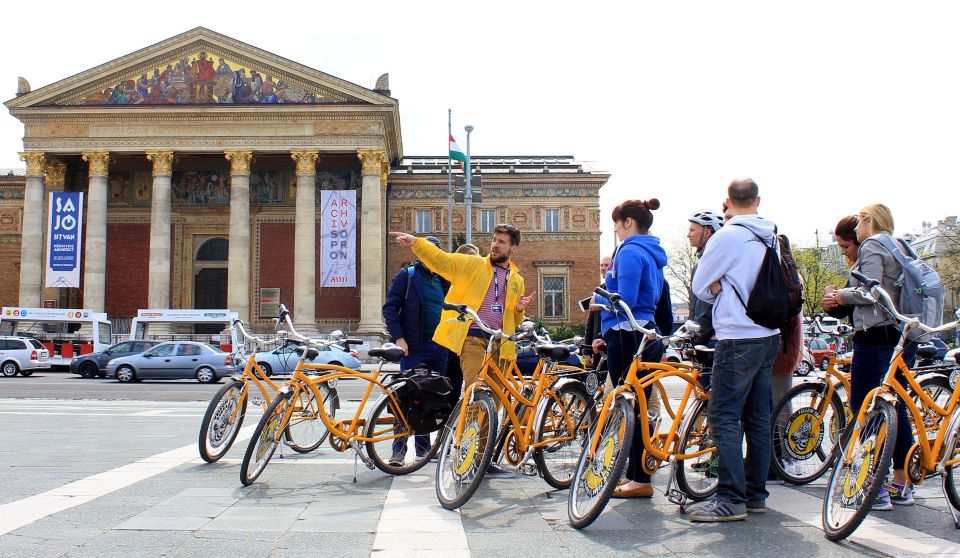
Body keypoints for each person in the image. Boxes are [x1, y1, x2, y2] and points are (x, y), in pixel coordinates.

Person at [389, 225, 536, 478]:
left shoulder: (517, 280)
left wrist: (520, 309)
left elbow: (513, 318)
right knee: (477, 395)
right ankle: (464, 456)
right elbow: (442, 260)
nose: (495, 245)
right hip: (474, 340)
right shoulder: (473, 265)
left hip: (500, 346)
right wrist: (416, 242)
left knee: (495, 404)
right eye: (494, 239)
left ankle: (483, 458)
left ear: (513, 248)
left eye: (501, 241)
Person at [689, 178, 781, 522]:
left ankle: (730, 499)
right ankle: (756, 494)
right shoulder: (773, 235)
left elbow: (701, 286)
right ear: (758, 200)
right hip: (769, 334)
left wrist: (719, 288)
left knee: (724, 416)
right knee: (757, 418)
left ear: (728, 201)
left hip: (737, 337)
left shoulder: (727, 237)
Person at [821, 204, 915, 509]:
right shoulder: (897, 244)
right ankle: (901, 483)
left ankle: (872, 485)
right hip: (900, 335)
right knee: (895, 408)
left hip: (875, 337)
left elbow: (870, 292)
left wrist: (839, 296)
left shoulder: (874, 244)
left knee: (867, 408)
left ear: (867, 222)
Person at [593, 199, 669, 499]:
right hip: (645, 332)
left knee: (627, 405)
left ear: (627, 222)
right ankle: (638, 475)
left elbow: (624, 297)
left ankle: (638, 477)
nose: (615, 230)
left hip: (626, 333)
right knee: (637, 405)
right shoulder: (652, 253)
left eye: (616, 223)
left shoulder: (629, 252)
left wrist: (601, 301)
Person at [382, 236, 450, 466]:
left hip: (439, 349)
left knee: (430, 401)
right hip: (414, 348)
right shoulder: (407, 276)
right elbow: (390, 308)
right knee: (406, 399)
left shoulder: (443, 279)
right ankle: (398, 450)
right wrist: (399, 339)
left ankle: (424, 449)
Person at [686, 210, 724, 382]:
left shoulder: (714, 262)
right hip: (703, 338)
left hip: (711, 339)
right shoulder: (701, 262)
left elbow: (710, 306)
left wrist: (698, 337)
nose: (688, 234)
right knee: (703, 396)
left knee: (712, 398)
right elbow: (695, 305)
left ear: (708, 231)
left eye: (693, 230)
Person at [444, 243, 481, 397]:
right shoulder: (450, 280)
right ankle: (451, 418)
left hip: (469, 339)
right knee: (452, 383)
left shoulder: (476, 282)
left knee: (471, 385)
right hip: (453, 339)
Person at [583, 255, 612, 371]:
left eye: (607, 265)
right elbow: (591, 323)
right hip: (597, 349)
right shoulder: (598, 292)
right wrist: (587, 352)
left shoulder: (618, 290)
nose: (603, 268)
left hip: (611, 345)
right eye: (601, 265)